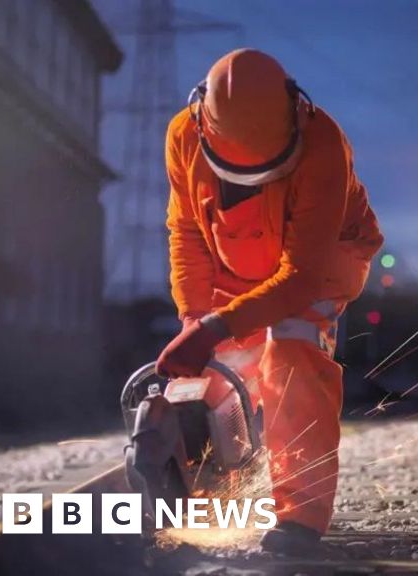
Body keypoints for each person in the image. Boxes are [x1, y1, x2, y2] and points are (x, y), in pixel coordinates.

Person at [154, 49, 383, 553]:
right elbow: (187, 232)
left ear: (294, 118)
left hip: (323, 260)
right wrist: (195, 320)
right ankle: (214, 491)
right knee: (214, 370)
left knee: (291, 349)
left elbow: (299, 280)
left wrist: (215, 327)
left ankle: (299, 518)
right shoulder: (183, 136)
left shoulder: (323, 143)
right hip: (237, 260)